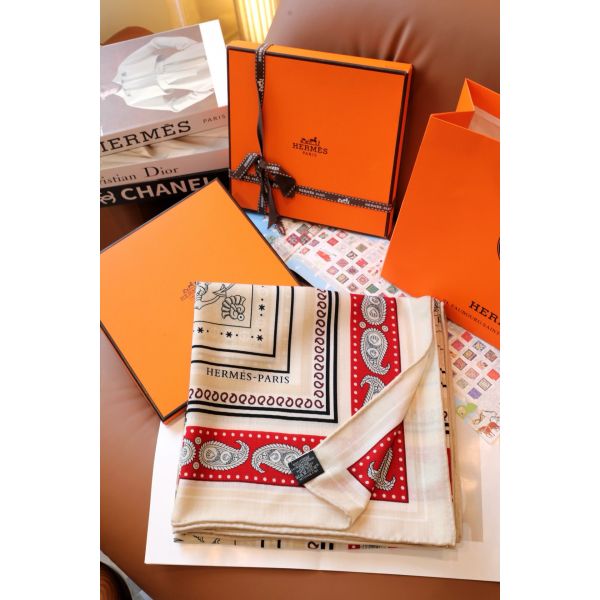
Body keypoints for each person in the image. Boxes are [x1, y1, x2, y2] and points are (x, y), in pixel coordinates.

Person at [101, 36, 214, 112]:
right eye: (101, 94)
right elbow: (172, 106)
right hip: (191, 81)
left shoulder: (124, 67)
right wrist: (203, 92)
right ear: (103, 98)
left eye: (101, 88)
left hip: (182, 59)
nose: (104, 91)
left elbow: (155, 43)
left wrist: (189, 45)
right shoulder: (131, 100)